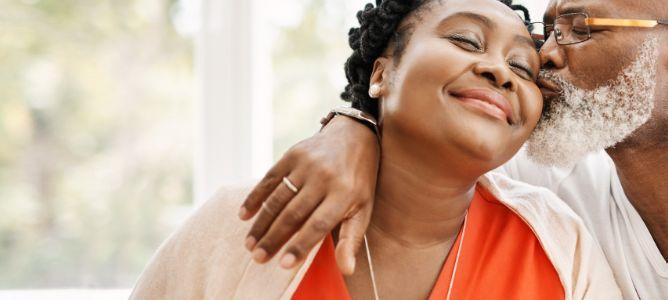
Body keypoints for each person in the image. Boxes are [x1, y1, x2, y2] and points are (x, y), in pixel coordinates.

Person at [239, 0, 668, 298]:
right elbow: (432, 145)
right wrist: (353, 126)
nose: (546, 56)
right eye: (548, 29)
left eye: (580, 25)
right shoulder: (543, 197)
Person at [131, 0, 622, 299]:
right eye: (466, 40)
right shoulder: (244, 225)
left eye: (523, 67)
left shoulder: (559, 244)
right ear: (381, 74)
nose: (499, 71)